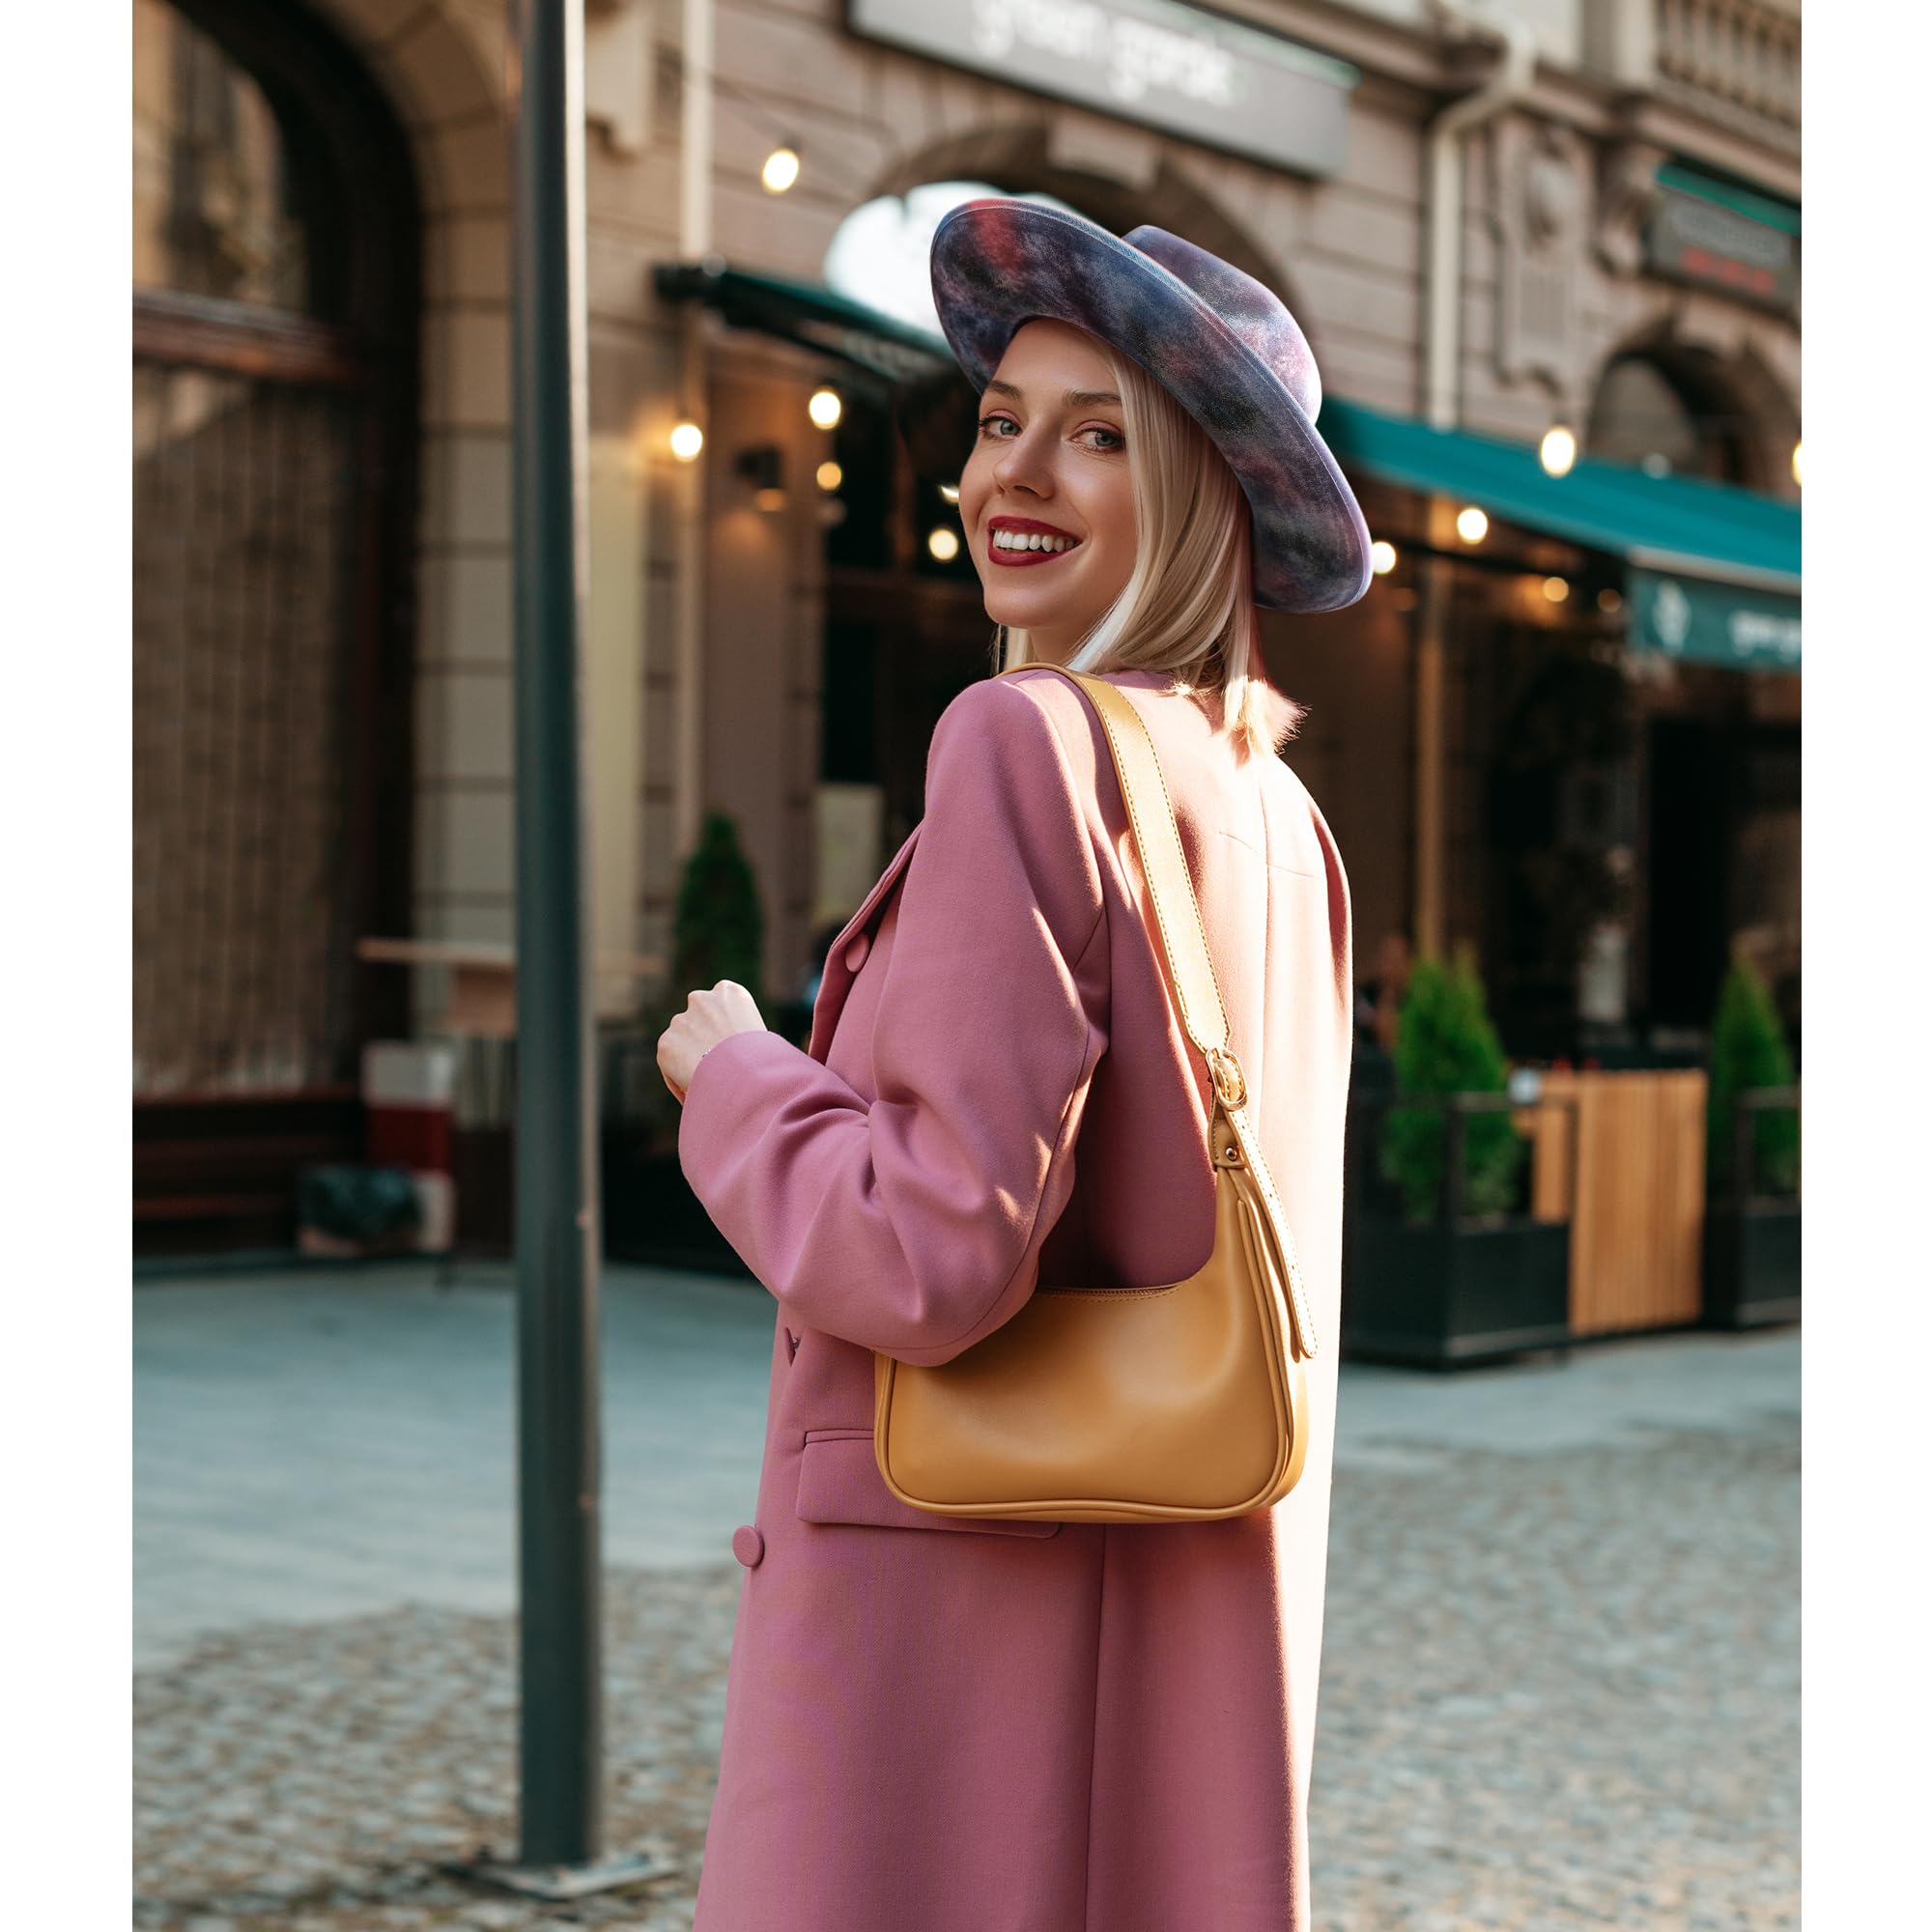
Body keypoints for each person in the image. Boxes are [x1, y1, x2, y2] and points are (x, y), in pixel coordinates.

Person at [656, 197, 1373, 1932]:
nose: (1011, 476)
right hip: (1185, 1622)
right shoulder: (1281, 818)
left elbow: (927, 1250)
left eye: (1099, 434)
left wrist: (740, 1077)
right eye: (997, 424)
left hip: (955, 1647)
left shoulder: (1022, 744)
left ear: (1198, 489)